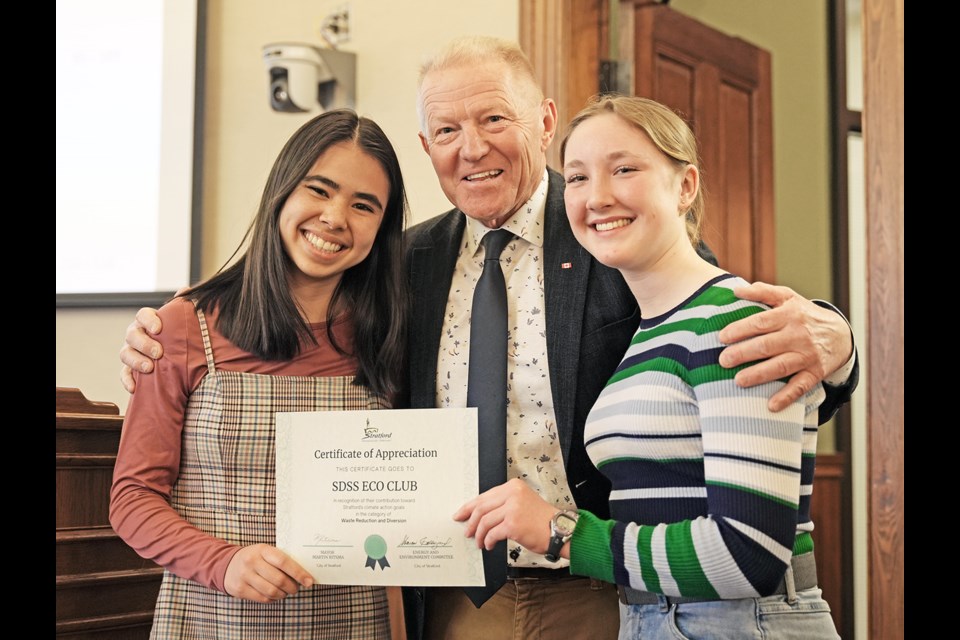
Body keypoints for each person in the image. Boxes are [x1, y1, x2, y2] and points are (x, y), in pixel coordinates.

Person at [119, 37, 856, 640]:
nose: (471, 148)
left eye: (493, 120)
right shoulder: (402, 265)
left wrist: (836, 343)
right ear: (427, 146)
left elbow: (724, 338)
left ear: (542, 122)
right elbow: (293, 319)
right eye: (447, 131)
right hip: (456, 593)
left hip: (605, 588)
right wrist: (164, 333)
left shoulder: (606, 227)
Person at [455, 94, 840, 639]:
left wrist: (564, 533)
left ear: (685, 186)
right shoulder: (652, 330)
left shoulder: (731, 322)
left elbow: (749, 553)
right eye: (580, 177)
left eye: (625, 169)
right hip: (651, 618)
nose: (598, 197)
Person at [109, 109, 409, 639]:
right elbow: (132, 498)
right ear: (282, 192)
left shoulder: (391, 336)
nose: (336, 217)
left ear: (381, 230)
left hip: (355, 622)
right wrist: (223, 562)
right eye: (319, 189)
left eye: (364, 205)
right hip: (208, 618)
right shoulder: (183, 325)